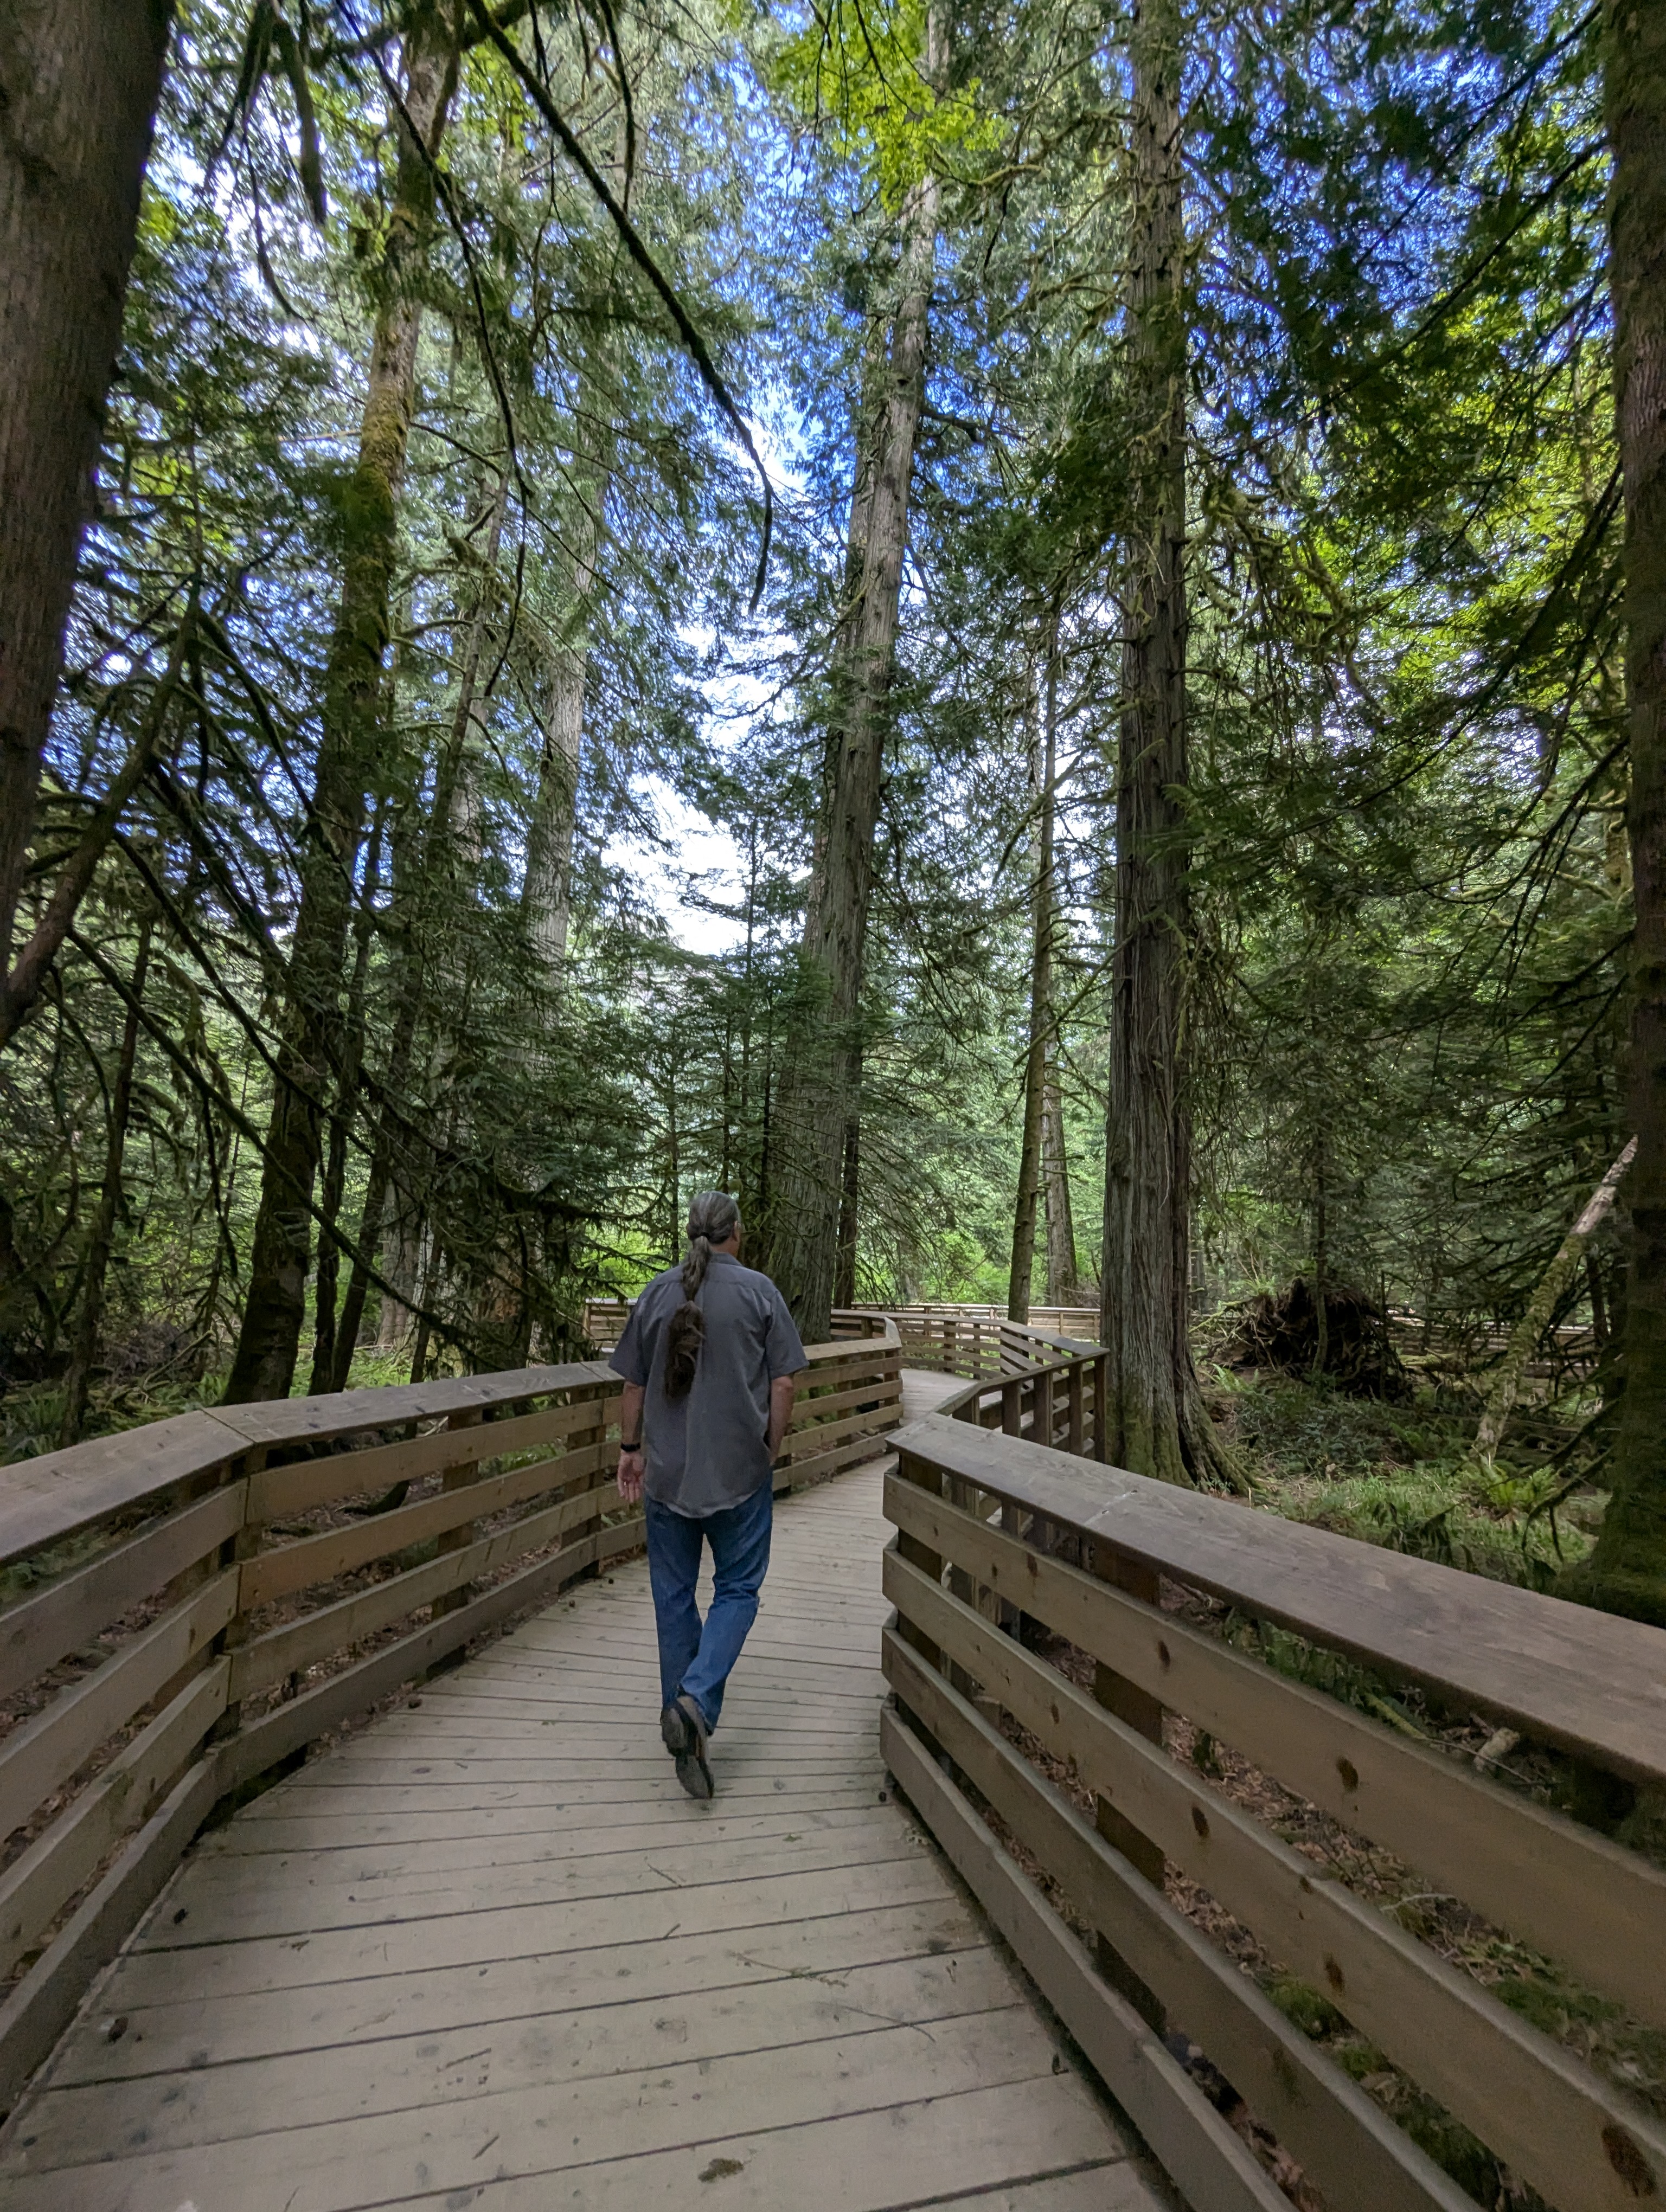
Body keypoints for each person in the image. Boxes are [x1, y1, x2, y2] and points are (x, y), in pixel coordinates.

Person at [610, 1192, 806, 1799]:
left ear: (691, 1233)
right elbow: (784, 1382)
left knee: (673, 1597)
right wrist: (771, 1444)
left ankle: (686, 1726)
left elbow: (633, 1384)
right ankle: (694, 1701)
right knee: (739, 1588)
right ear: (735, 1234)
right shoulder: (760, 1293)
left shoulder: (655, 1294)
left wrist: (630, 1448)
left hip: (668, 1476)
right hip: (739, 1473)